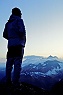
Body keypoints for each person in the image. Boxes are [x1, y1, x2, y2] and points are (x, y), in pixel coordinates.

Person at [3, 7, 26, 87]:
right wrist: (20, 38)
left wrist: (11, 38)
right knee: (17, 63)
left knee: (9, 64)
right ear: (18, 13)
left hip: (10, 45)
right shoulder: (19, 20)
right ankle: (16, 82)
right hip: (18, 45)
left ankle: (8, 81)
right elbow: (22, 31)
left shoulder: (8, 23)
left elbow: (4, 35)